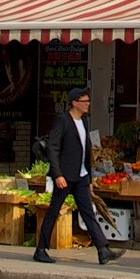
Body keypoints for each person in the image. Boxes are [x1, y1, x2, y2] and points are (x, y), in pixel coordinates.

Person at [36, 86, 122, 265]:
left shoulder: (84, 122)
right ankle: (41, 249)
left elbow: (86, 150)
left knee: (88, 212)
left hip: (81, 176)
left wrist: (89, 178)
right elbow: (53, 148)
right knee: (53, 211)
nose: (88, 105)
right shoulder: (63, 121)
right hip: (65, 176)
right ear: (75, 103)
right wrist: (57, 174)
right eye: (84, 102)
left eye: (88, 101)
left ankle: (102, 249)